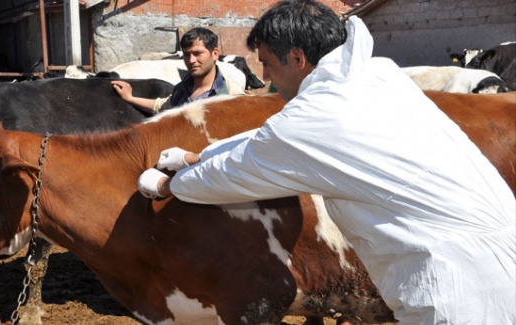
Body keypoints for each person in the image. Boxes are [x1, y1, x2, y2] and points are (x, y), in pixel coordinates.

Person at [136, 1, 516, 324]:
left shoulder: (316, 118)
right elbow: (272, 138)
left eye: (268, 63)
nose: (264, 76)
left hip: (458, 289)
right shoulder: (373, 75)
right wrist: (197, 155)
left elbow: (243, 168)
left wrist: (172, 185)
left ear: (298, 59)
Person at [111, 27, 245, 114]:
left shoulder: (231, 97)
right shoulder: (182, 89)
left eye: (197, 53)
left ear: (215, 54)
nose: (191, 60)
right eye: (187, 54)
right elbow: (161, 106)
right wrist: (130, 98)